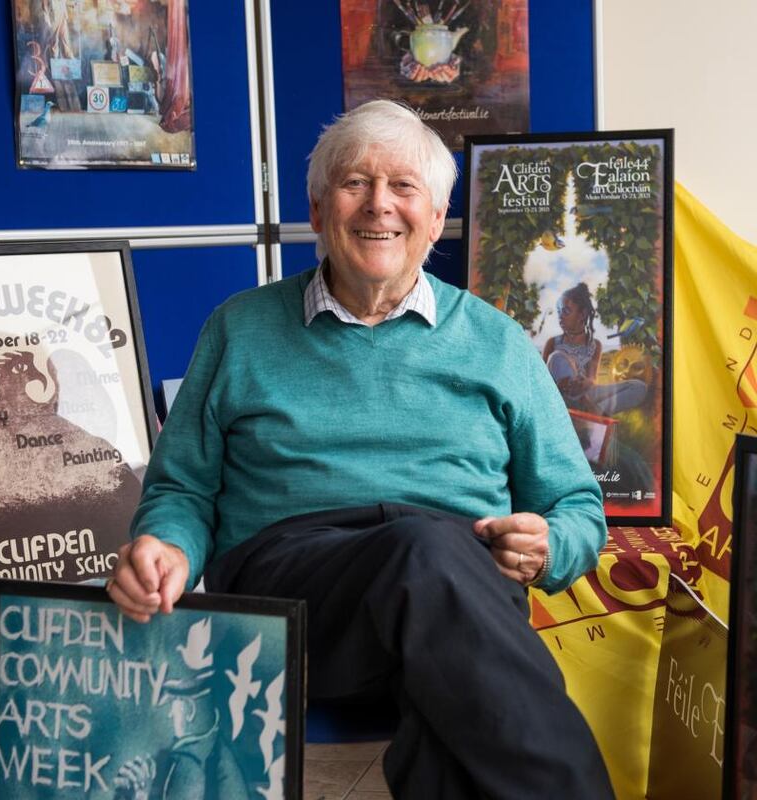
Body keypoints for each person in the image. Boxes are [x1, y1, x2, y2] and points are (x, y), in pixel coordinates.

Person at [108, 100, 615, 799]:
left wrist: (551, 544)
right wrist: (166, 544)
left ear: (436, 219)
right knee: (427, 555)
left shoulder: (498, 342)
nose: (380, 206)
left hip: (452, 593)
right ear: (318, 211)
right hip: (293, 596)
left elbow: (576, 506)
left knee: (446, 708)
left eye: (405, 187)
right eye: (354, 184)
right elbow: (182, 491)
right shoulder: (240, 329)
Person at [543, 281, 647, 416]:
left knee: (638, 387)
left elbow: (592, 378)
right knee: (557, 357)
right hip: (560, 397)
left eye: (566, 311)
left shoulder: (595, 345)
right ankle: (585, 408)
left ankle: (596, 411)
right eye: (559, 312)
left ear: (582, 314)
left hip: (588, 394)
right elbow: (541, 380)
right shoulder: (552, 342)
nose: (560, 316)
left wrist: (586, 382)